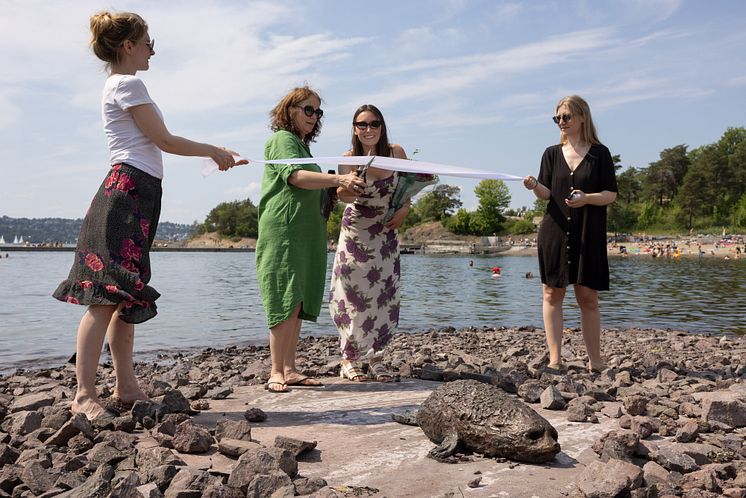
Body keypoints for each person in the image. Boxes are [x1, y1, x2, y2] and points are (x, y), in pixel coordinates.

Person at [52, 11, 243, 420]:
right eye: (147, 42)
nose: (152, 48)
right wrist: (213, 149)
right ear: (128, 46)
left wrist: (214, 152)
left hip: (137, 194)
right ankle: (84, 396)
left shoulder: (121, 84)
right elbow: (164, 139)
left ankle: (126, 387)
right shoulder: (127, 83)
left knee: (127, 294)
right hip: (125, 194)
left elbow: (157, 143)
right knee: (105, 296)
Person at [257, 86, 365, 393]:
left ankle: (290, 368)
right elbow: (295, 177)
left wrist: (334, 191)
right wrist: (338, 179)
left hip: (307, 232)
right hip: (286, 231)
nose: (314, 117)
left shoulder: (301, 146)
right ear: (289, 110)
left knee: (300, 297)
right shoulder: (282, 139)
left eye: (318, 112)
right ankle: (276, 371)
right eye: (308, 110)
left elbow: (311, 183)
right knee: (285, 295)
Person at [523, 95, 617, 373]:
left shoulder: (601, 154)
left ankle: (595, 361)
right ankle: (555, 359)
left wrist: (587, 197)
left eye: (566, 117)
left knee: (587, 297)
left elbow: (610, 195)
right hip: (555, 230)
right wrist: (534, 185)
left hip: (589, 231)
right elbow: (546, 194)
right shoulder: (551, 153)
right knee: (552, 293)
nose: (561, 122)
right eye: (557, 118)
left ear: (582, 118)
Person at [329, 104, 410, 382]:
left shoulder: (396, 153)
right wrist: (349, 186)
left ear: (382, 127)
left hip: (385, 231)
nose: (368, 129)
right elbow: (342, 197)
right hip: (355, 233)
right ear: (354, 128)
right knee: (350, 296)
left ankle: (377, 357)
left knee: (382, 295)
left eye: (374, 124)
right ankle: (348, 358)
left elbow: (409, 186)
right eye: (362, 124)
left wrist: (404, 210)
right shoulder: (348, 158)